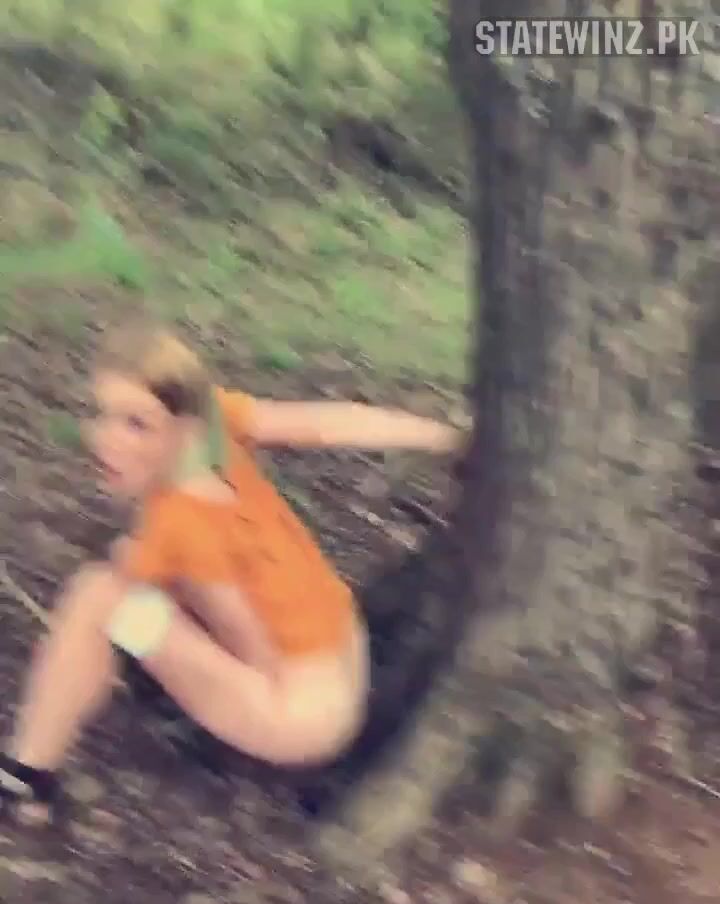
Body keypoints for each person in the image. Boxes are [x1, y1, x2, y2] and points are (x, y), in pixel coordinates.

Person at [0, 321, 460, 814]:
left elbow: (254, 649)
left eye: (137, 425)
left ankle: (26, 776)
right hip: (348, 653)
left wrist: (163, 627)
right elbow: (323, 424)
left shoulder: (177, 524)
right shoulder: (215, 426)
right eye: (102, 415)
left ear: (183, 428)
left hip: (299, 718)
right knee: (129, 568)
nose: (106, 440)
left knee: (98, 595)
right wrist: (443, 436)